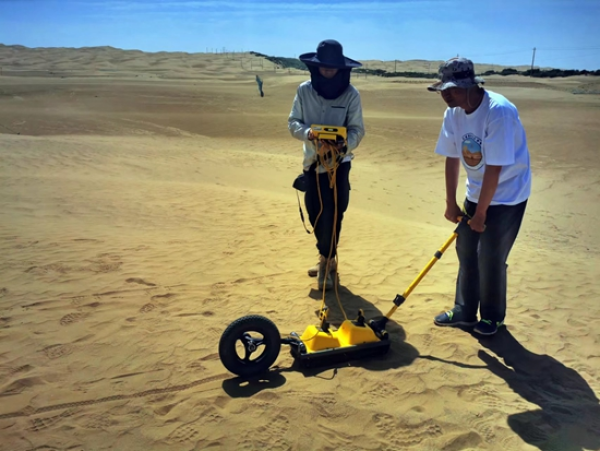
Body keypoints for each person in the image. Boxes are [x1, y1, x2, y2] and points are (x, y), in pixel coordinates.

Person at [429, 57, 532, 336]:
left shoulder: (498, 111)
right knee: (466, 251)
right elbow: (451, 157)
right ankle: (464, 310)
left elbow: (495, 167)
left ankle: (492, 317)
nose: (446, 95)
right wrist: (451, 203)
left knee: (489, 257)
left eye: (452, 89)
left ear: (470, 86)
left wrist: (482, 214)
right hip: (476, 191)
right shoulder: (453, 113)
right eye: (443, 89)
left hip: (507, 194)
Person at [288, 39, 365, 290]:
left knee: (333, 214)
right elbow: (293, 122)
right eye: (324, 66)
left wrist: (342, 145)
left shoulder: (351, 94)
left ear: (341, 68)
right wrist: (310, 134)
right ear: (316, 67)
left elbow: (357, 130)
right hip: (312, 163)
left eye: (333, 66)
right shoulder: (303, 91)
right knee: (315, 212)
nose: (328, 70)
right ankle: (325, 254)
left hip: (338, 166)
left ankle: (327, 261)